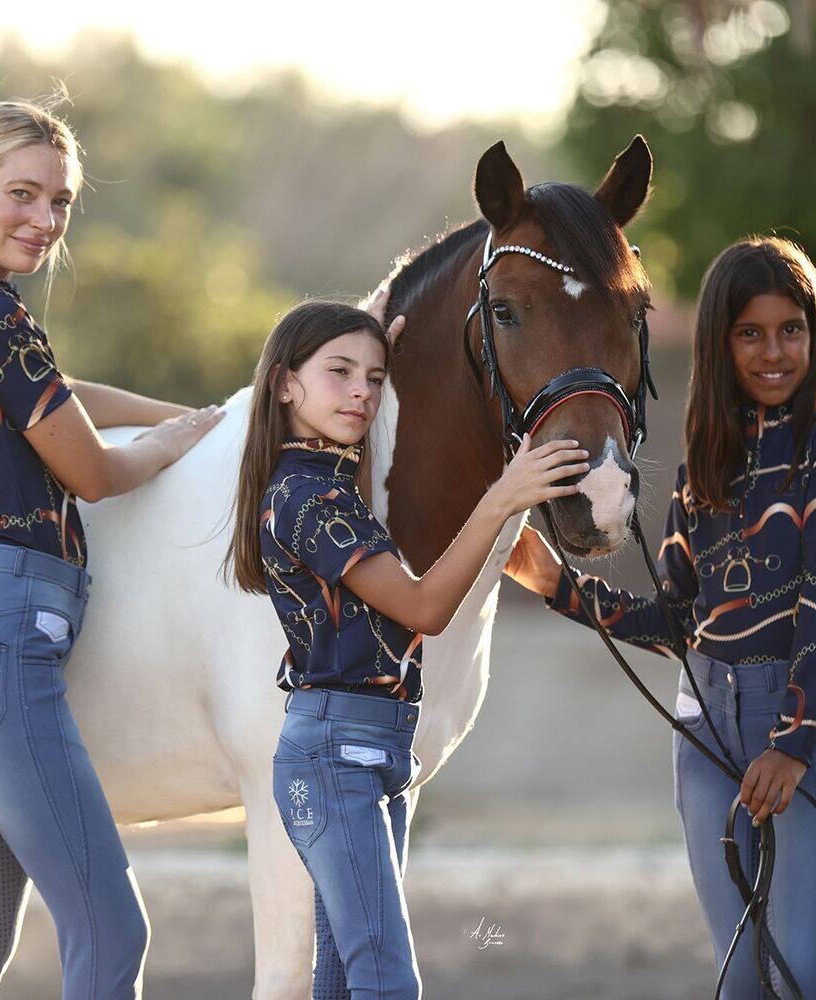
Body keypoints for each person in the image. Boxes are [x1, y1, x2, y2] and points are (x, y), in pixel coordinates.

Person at [0, 94, 223, 999]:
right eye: (21, 195)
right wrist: (174, 444)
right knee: (109, 928)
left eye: (59, 202)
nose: (45, 220)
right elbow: (94, 473)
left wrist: (194, 415)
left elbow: (60, 394)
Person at [505, 235, 816, 999]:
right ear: (720, 344)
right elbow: (678, 623)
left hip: (806, 727)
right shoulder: (703, 470)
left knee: (802, 972)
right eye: (750, 333)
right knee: (741, 977)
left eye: (791, 330)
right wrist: (556, 584)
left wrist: (791, 746)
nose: (773, 352)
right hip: (706, 729)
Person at [225, 296, 589, 999]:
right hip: (337, 758)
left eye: (374, 378)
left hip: (367, 752)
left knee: (343, 982)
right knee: (388, 984)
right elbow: (425, 608)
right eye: (339, 373)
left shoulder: (327, 484)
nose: (361, 392)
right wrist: (503, 497)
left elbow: (367, 461)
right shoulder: (310, 501)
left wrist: (380, 354)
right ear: (284, 385)